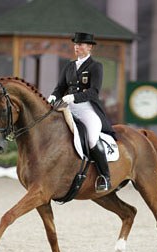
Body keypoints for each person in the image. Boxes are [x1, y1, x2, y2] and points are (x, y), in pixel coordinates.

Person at [48, 32, 115, 192]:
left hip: (87, 109)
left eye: (81, 44)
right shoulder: (69, 66)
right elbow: (60, 88)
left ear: (90, 47)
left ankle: (105, 177)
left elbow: (94, 92)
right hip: (68, 107)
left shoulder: (95, 66)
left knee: (92, 138)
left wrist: (74, 97)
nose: (77, 47)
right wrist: (53, 96)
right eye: (76, 44)